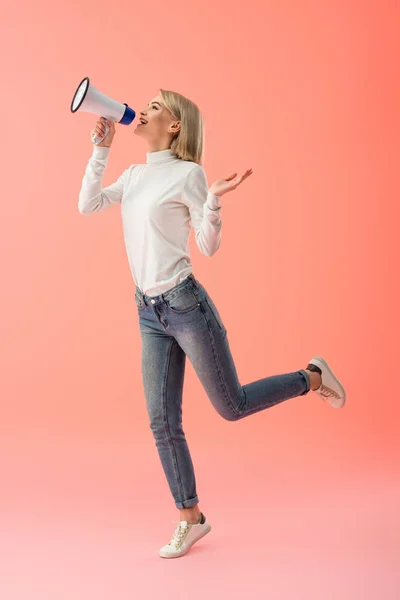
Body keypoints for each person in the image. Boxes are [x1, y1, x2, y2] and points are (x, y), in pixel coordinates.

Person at [78, 89, 346, 559]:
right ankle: (191, 517)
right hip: (148, 312)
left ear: (176, 125)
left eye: (156, 106)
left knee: (232, 405)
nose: (144, 109)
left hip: (186, 306)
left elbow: (207, 245)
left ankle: (313, 377)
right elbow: (89, 205)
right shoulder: (135, 174)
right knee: (161, 421)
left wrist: (214, 203)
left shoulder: (188, 174)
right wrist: (100, 150)